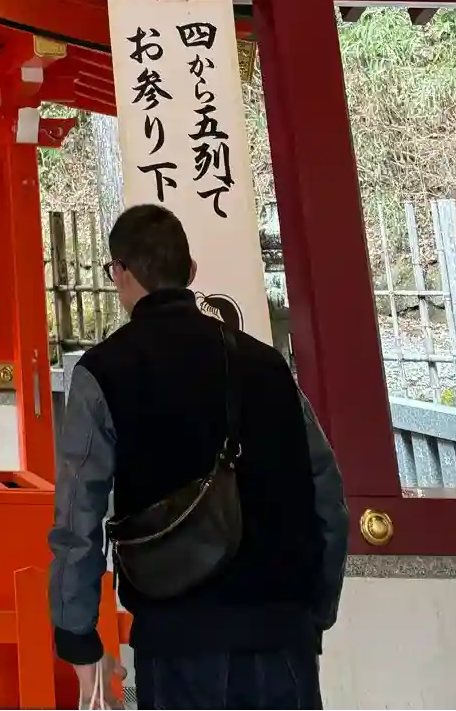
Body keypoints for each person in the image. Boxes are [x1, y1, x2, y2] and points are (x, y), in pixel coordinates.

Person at [49, 204, 349, 710]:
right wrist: (316, 609)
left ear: (119, 272)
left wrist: (77, 634)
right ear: (190, 272)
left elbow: (79, 514)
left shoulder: (104, 371)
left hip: (176, 639)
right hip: (281, 633)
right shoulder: (266, 364)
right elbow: (327, 493)